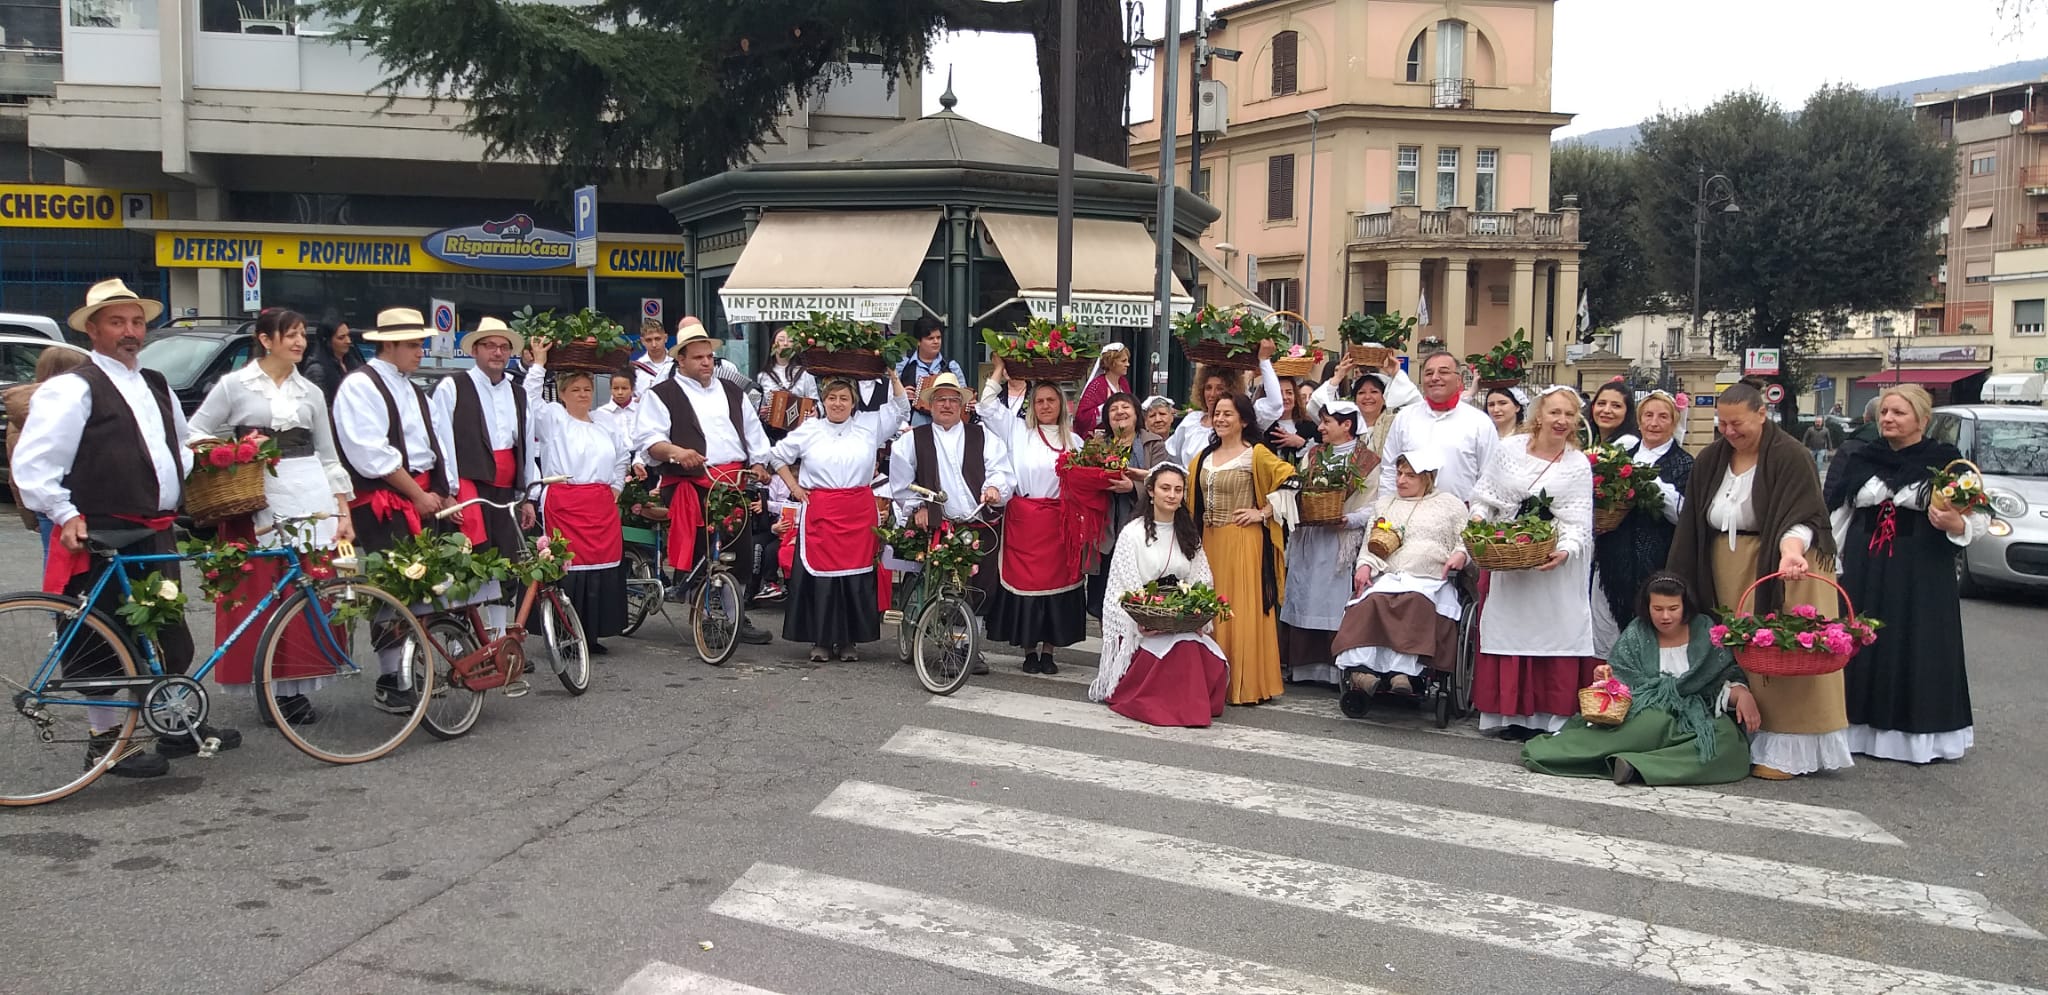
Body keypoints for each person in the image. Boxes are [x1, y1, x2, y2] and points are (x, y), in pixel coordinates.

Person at [16, 278, 237, 777]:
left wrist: (209, 460)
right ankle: (106, 742)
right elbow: (35, 463)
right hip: (102, 530)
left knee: (167, 631)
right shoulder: (73, 388)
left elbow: (178, 446)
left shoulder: (155, 382)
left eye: (136, 322)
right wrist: (64, 512)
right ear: (93, 330)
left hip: (154, 528)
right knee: (101, 637)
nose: (130, 331)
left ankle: (175, 723)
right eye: (117, 322)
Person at [1668, 381, 1846, 780]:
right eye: (1723, 424)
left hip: (1784, 564)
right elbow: (1695, 518)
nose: (1730, 432)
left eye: (1738, 424)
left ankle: (1790, 748)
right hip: (1725, 561)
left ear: (1762, 414)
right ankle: (1741, 736)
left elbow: (1803, 516)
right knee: (1736, 651)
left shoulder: (1792, 456)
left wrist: (1790, 551)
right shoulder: (1713, 457)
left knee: (1778, 653)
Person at [186, 308, 356, 723]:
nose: (298, 342)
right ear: (265, 339)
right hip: (255, 496)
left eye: (301, 335)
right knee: (261, 592)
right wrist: (231, 453)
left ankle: (294, 690)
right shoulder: (235, 386)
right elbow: (194, 432)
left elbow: (329, 455)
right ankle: (264, 681)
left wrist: (343, 510)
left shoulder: (310, 392)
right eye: (290, 335)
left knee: (305, 591)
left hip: (308, 491)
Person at [1826, 384, 1986, 764]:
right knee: (1864, 642)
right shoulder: (1862, 457)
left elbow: (1977, 521)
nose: (1888, 419)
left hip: (1921, 572)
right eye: (1884, 413)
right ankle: (1859, 729)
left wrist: (1954, 522)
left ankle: (1918, 737)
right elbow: (1840, 514)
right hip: (1867, 568)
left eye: (1898, 413)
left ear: (1922, 419)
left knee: (1917, 645)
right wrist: (1828, 558)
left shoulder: (1946, 462)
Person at [1522, 572, 1760, 785]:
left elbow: (1722, 676)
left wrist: (1743, 695)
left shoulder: (1704, 630)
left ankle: (1634, 766)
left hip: (1696, 715)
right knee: (1651, 724)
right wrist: (1606, 679)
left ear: (1685, 606)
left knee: (1728, 745)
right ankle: (1565, 753)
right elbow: (1621, 680)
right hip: (1649, 710)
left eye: (1673, 608)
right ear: (1647, 607)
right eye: (1657, 609)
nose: (1665, 616)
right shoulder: (1637, 633)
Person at [332, 307, 455, 715]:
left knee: (427, 584)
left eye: (420, 343)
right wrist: (416, 495)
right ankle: (390, 677)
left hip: (421, 495)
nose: (421, 352)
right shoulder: (359, 386)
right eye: (414, 345)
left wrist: (444, 491)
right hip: (385, 500)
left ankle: (413, 666)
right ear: (389, 344)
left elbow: (436, 445)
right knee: (393, 588)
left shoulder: (413, 389)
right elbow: (370, 454)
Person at [1468, 385, 1599, 739]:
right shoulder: (1508, 450)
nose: (1561, 420)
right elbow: (1484, 496)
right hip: (1508, 556)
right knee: (1510, 628)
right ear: (1539, 414)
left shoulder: (1577, 465)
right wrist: (1479, 519)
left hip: (1550, 566)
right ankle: (1508, 713)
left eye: (1569, 415)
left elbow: (1578, 522)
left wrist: (1565, 551)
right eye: (1555, 412)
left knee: (1553, 630)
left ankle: (1549, 715)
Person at [634, 322, 775, 645]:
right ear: (680, 360)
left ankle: (735, 613)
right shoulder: (662, 394)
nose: (706, 363)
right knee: (703, 552)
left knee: (737, 551)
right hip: (689, 482)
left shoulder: (732, 392)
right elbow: (650, 440)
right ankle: (707, 617)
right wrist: (676, 451)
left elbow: (754, 434)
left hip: (732, 480)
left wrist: (758, 463)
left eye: (709, 356)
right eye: (698, 357)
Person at [770, 376, 910, 661]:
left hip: (857, 511)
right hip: (821, 509)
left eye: (844, 398)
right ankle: (821, 640)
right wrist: (794, 488)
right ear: (823, 400)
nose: (837, 403)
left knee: (854, 577)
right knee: (821, 578)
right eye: (832, 397)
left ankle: (848, 641)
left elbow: (900, 409)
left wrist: (893, 376)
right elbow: (776, 456)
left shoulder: (869, 427)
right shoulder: (809, 430)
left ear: (853, 402)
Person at [888, 372, 1015, 674]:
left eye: (952, 400)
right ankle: (947, 643)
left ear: (962, 405)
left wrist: (996, 488)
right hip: (938, 524)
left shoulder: (983, 437)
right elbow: (902, 483)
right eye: (940, 399)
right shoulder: (911, 441)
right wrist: (917, 506)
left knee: (981, 586)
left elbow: (1000, 469)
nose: (946, 405)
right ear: (930, 405)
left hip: (977, 522)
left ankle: (966, 647)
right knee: (944, 586)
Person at [1088, 463, 1229, 727]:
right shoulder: (1132, 534)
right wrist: (1140, 622)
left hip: (1178, 618)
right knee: (1184, 651)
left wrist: (1196, 615)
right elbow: (1120, 590)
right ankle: (1177, 708)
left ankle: (1189, 705)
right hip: (1146, 621)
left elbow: (1201, 580)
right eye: (1165, 488)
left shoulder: (1189, 534)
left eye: (1178, 490)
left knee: (1205, 653)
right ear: (1151, 491)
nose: (1172, 495)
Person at [1332, 449, 1469, 712]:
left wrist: (1461, 554)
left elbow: (1466, 540)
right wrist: (1364, 566)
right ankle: (1362, 671)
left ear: (1427, 478)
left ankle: (1403, 673)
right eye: (1399, 473)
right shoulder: (1386, 505)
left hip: (1428, 579)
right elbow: (1369, 547)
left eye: (1410, 475)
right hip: (1387, 575)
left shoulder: (1450, 505)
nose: (1401, 480)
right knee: (1368, 601)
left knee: (1414, 602)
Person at [522, 342, 634, 653]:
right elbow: (530, 400)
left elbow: (622, 456)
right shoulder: (555, 418)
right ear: (562, 393)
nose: (583, 394)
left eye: (587, 389)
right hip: (566, 500)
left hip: (600, 503)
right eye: (575, 389)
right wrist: (540, 363)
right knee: (567, 567)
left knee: (601, 566)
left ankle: (593, 633)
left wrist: (616, 488)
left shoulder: (605, 421)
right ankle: (565, 632)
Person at [1190, 392, 1298, 705]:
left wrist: (1261, 512)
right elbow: (1185, 489)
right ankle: (1214, 679)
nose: (1221, 419)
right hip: (1210, 541)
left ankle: (1244, 683)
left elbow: (1292, 480)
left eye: (1228, 414)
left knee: (1238, 609)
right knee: (1212, 608)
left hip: (1241, 539)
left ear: (1244, 420)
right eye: (1217, 413)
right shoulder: (1204, 456)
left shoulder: (1256, 454)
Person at [978, 364, 1087, 673]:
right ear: (1031, 405)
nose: (1045, 406)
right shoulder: (1017, 431)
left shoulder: (1075, 442)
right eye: (1039, 401)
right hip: (1025, 521)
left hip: (1059, 523)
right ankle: (1029, 651)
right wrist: (1001, 370)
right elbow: (986, 406)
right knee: (1025, 584)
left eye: (1051, 400)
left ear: (1062, 405)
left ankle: (1049, 652)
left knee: (1058, 585)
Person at [1278, 400, 1379, 685]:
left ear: (1346, 425)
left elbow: (1375, 505)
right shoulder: (1312, 455)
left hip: (1340, 540)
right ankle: (1302, 666)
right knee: (1304, 594)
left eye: (1326, 422)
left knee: (1333, 601)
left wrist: (1350, 519)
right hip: (1310, 537)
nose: (1319, 427)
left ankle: (1335, 670)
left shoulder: (1367, 461)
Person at [431, 316, 532, 571]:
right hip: (469, 486)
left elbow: (527, 448)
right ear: (475, 350)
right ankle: (465, 613)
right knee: (470, 562)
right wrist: (449, 492)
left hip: (506, 490)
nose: (498, 352)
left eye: (504, 347)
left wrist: (528, 495)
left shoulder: (518, 393)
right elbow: (442, 442)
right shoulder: (452, 387)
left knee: (505, 560)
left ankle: (498, 612)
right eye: (490, 345)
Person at [1594, 391, 1694, 636]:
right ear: (1638, 421)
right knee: (1608, 629)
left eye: (1662, 417)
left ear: (1674, 422)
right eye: (1648, 415)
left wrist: (1649, 482)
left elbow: (1684, 516)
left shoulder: (1684, 463)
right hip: (1612, 559)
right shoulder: (1619, 458)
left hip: (1657, 560)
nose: (1654, 423)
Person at [1083, 392, 1169, 618]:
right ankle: (1109, 650)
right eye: (1113, 409)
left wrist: (1132, 487)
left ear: (1136, 413)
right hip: (1105, 534)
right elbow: (1084, 482)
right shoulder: (1096, 445)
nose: (1120, 412)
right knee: (1104, 602)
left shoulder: (1154, 444)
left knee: (1138, 598)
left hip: (1142, 531)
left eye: (1125, 407)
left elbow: (1165, 483)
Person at [1377, 351, 1498, 505]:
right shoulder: (1405, 417)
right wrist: (1384, 512)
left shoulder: (1479, 422)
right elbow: (1388, 469)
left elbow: (1489, 477)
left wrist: (1478, 518)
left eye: (1443, 372)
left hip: (1462, 518)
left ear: (1459, 380)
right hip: (1408, 516)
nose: (1435, 378)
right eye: (1429, 373)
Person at [5, 345, 90, 555]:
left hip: (43, 506)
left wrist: (29, 516)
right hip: (73, 500)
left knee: (53, 565)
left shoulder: (20, 412)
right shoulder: (72, 406)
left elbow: (18, 471)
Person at [896, 317, 965, 428]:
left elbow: (963, 397)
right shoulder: (903, 365)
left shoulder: (951, 366)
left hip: (946, 426)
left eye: (938, 337)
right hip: (913, 425)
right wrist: (901, 394)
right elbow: (890, 399)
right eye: (930, 338)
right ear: (918, 341)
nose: (936, 342)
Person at [756, 328, 818, 442]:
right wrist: (762, 412)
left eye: (790, 340)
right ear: (773, 345)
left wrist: (816, 412)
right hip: (773, 435)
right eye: (781, 340)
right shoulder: (763, 376)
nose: (785, 343)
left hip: (802, 434)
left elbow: (816, 401)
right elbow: (758, 406)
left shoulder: (805, 373)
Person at [299, 317, 364, 404]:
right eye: (341, 338)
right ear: (327, 341)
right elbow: (321, 406)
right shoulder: (317, 370)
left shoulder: (353, 362)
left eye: (348, 335)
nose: (348, 341)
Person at [1073, 341, 1132, 436]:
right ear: (1111, 362)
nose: (1127, 364)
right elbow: (1082, 419)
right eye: (1123, 361)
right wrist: (1105, 407)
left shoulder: (1124, 383)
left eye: (1127, 361)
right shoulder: (1097, 385)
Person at [631, 318, 677, 396]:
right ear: (642, 341)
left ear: (665, 338)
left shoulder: (678, 364)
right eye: (649, 340)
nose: (654, 345)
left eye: (657, 339)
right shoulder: (635, 369)